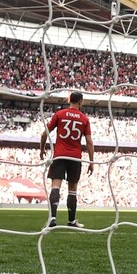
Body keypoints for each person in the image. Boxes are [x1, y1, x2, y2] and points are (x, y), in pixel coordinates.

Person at [39, 91, 94, 229]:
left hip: (59, 155)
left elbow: (44, 133)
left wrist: (42, 149)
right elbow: (89, 142)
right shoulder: (84, 119)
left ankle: (52, 219)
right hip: (75, 157)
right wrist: (91, 161)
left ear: (69, 100)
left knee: (55, 187)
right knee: (72, 189)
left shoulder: (60, 114)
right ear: (80, 102)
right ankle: (71, 221)